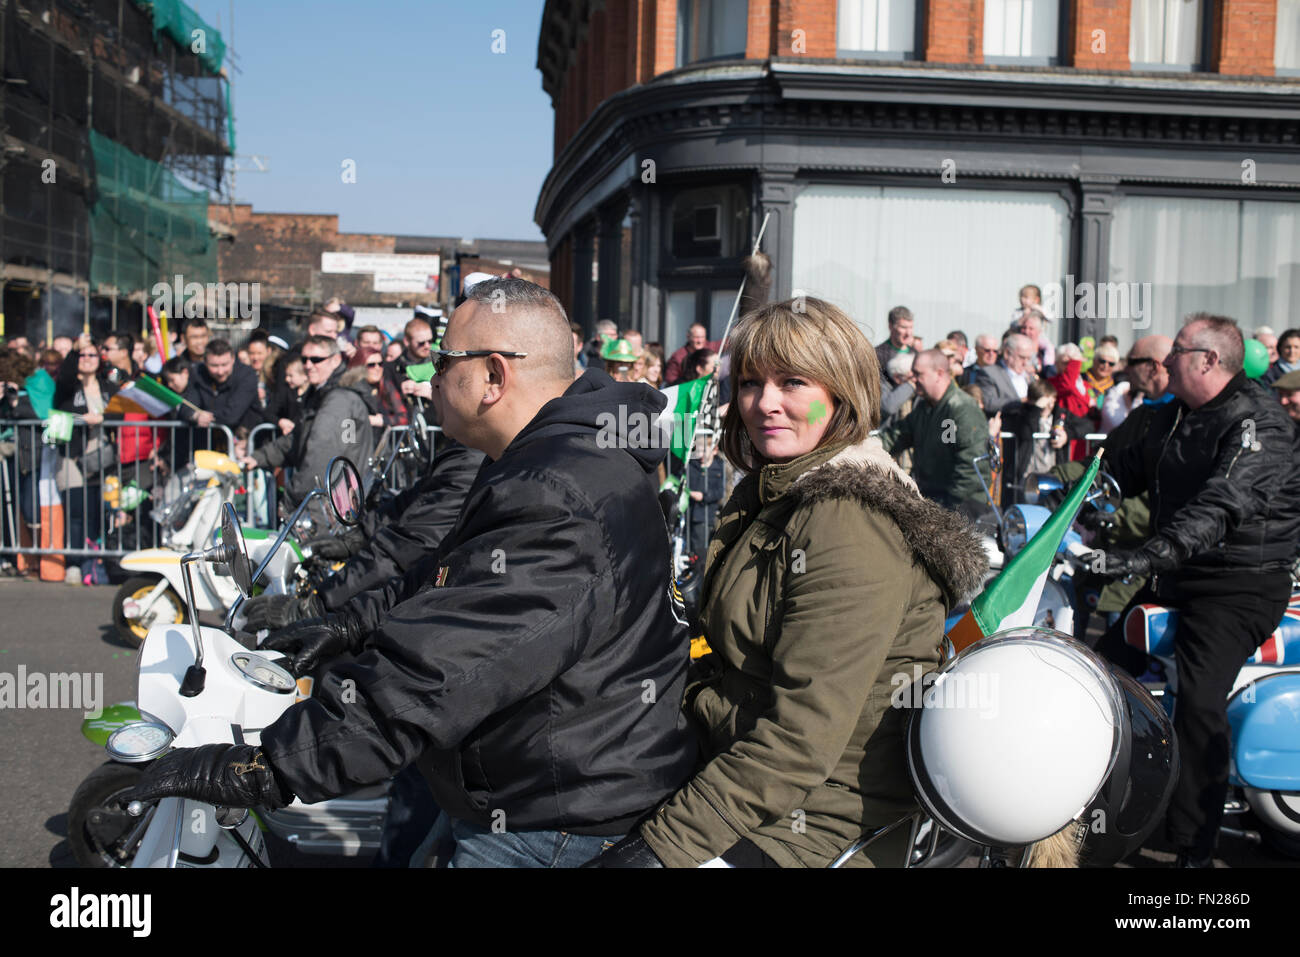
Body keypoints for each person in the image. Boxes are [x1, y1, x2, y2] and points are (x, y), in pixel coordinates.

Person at [134, 277, 697, 868]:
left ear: (493, 376)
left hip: (547, 817)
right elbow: (456, 579)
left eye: (443, 360)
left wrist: (268, 767)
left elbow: (441, 670)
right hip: (527, 787)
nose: (430, 378)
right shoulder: (553, 460)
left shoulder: (555, 487)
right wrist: (347, 624)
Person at [587, 297, 987, 868]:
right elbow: (716, 653)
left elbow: (799, 742)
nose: (764, 403)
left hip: (819, 821)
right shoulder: (775, 491)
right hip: (741, 779)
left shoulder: (849, 519)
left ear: (841, 394)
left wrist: (656, 851)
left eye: (793, 382)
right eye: (750, 382)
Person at [1093, 314, 1300, 868]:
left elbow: (1222, 505)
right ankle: (1088, 794)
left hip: (1238, 585)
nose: (1164, 363)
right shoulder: (1169, 415)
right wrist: (1074, 493)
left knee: (1198, 702)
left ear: (1208, 360)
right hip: (1175, 575)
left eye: (1177, 351)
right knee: (1099, 673)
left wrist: (1147, 554)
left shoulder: (1261, 424)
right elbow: (1112, 468)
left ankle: (1194, 848)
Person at [241, 335, 374, 508]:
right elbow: (298, 437)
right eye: (305, 359)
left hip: (334, 503)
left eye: (316, 360)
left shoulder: (339, 400)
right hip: (330, 497)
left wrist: (293, 496)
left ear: (335, 360)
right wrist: (259, 457)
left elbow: (321, 455)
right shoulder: (321, 392)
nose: (308, 365)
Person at [879, 349, 992, 517]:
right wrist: (860, 447)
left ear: (939, 374)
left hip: (961, 507)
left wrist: (950, 509)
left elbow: (971, 467)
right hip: (933, 500)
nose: (913, 380)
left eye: (918, 374)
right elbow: (895, 436)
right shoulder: (925, 409)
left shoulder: (961, 408)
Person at [179, 339, 265, 432]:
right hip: (207, 440)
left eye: (224, 364)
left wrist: (207, 416)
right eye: (214, 366)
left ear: (233, 359)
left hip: (242, 436)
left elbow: (232, 415)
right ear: (205, 362)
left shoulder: (247, 375)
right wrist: (195, 416)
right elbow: (187, 406)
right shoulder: (197, 373)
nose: (220, 371)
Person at [973, 333, 1035, 414]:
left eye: (1028, 358)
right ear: (1007, 353)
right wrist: (1020, 401)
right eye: (1022, 357)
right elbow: (988, 403)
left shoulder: (1029, 375)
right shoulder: (989, 373)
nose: (1025, 363)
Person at [874, 305, 914, 374]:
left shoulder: (915, 354)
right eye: (903, 327)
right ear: (890, 327)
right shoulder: (878, 355)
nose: (908, 333)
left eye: (910, 327)